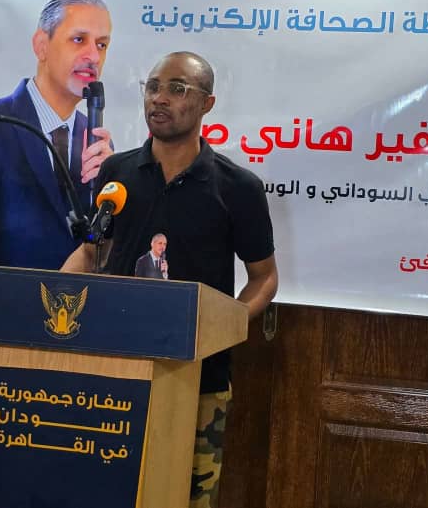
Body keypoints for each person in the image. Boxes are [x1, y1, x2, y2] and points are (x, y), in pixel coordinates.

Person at [62, 51, 279, 508]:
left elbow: (264, 278)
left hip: (197, 377)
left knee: (184, 497)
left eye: (177, 89)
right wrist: (53, 301)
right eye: (153, 86)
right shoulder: (117, 173)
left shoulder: (237, 187)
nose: (159, 98)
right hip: (117, 368)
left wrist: (222, 326)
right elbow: (92, 251)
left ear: (207, 104)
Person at [0, 0, 114, 269]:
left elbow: (100, 251)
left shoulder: (96, 142)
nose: (93, 56)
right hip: (1, 296)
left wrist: (111, 183)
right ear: (41, 45)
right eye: (79, 39)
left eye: (102, 44)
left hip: (79, 298)